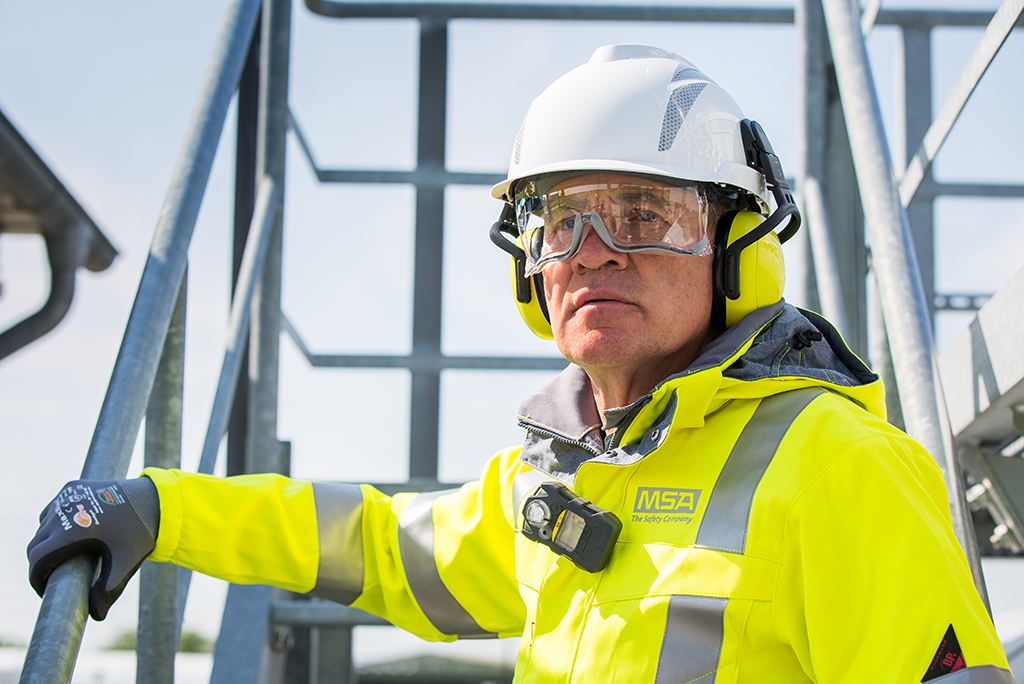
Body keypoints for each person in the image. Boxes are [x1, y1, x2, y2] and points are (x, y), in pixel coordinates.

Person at [29, 45, 1014, 683]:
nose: (590, 251)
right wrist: (161, 507)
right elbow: (372, 543)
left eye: (642, 215)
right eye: (559, 221)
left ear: (738, 252)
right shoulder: (557, 480)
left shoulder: (841, 468)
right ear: (530, 270)